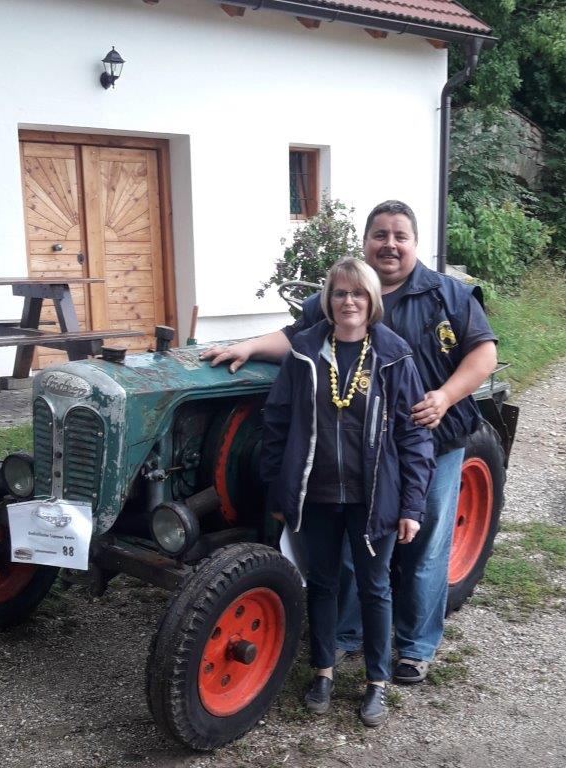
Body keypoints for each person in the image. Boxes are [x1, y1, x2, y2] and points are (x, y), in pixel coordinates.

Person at [201, 200, 498, 683]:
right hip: (360, 453)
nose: (390, 244)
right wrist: (250, 346)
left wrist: (444, 397)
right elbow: (298, 336)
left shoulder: (449, 295)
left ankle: (415, 646)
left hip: (430, 440)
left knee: (422, 542)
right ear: (366, 241)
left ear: (415, 243)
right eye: (380, 234)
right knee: (352, 545)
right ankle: (347, 634)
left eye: (400, 235)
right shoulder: (349, 289)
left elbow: (483, 355)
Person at [260, 257, 434, 724]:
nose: (349, 301)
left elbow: (414, 437)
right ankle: (323, 671)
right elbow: (277, 423)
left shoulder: (394, 355)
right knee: (321, 582)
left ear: (372, 300)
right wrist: (279, 492)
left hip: (372, 496)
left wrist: (412, 505)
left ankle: (376, 683)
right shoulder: (304, 352)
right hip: (315, 495)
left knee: (375, 587)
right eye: (340, 293)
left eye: (358, 293)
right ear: (328, 301)